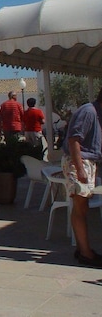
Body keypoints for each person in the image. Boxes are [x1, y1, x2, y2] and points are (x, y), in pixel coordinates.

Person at [61, 87, 102, 267]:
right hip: (79, 161)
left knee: (81, 207)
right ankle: (85, 253)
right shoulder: (89, 111)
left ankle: (82, 248)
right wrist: (80, 169)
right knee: (80, 205)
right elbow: (74, 140)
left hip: (87, 161)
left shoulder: (96, 113)